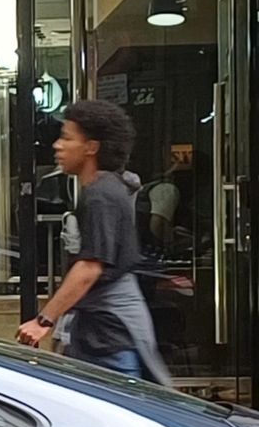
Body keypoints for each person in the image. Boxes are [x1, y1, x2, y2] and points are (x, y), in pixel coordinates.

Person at [19, 100, 172, 384]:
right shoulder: (105, 188)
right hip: (100, 336)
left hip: (109, 341)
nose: (57, 146)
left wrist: (43, 321)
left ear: (91, 148)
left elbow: (90, 267)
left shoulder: (101, 195)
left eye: (67, 137)